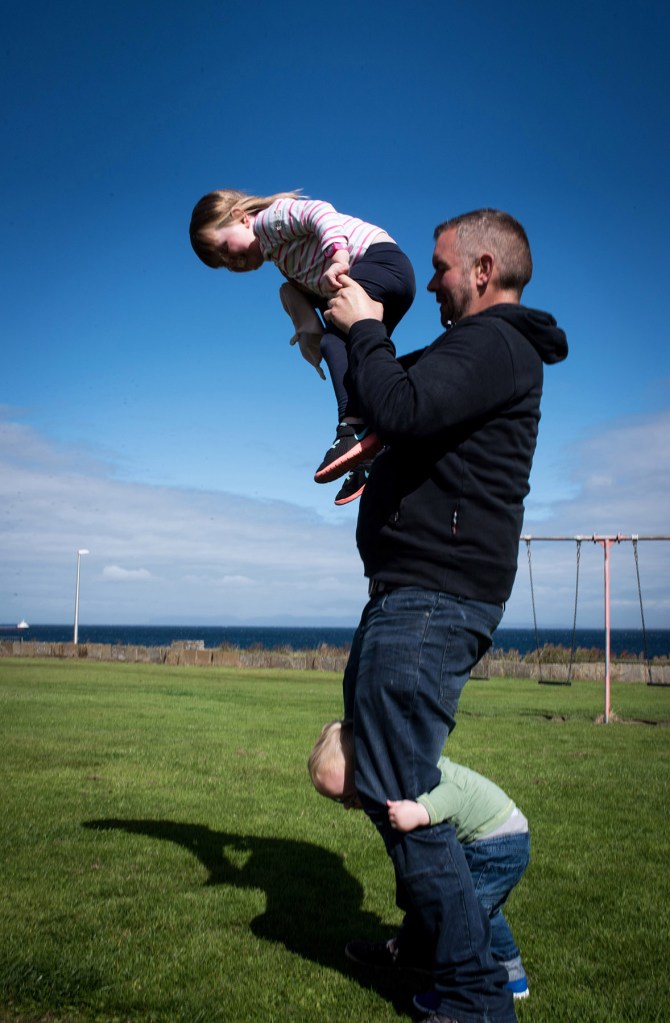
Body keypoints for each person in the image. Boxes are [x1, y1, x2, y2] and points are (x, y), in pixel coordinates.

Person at [324, 209, 568, 1023]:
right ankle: (431, 950)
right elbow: (381, 397)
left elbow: (400, 408)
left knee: (401, 789)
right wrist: (331, 332)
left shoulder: (495, 344)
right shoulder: (471, 349)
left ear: (483, 269)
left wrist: (367, 326)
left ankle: (473, 996)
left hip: (434, 594)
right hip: (410, 592)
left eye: (439, 267)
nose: (429, 282)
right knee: (378, 775)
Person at [189, 190, 416, 504]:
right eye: (223, 264)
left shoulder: (271, 221)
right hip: (390, 274)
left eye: (225, 249)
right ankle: (373, 450)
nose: (231, 262)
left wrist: (338, 257)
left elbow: (320, 212)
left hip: (379, 261)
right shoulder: (282, 257)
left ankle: (353, 429)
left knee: (336, 339)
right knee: (356, 354)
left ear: (241, 218)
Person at [308, 721, 530, 1003]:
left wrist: (422, 811)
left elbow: (455, 793)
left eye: (350, 796)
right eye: (339, 801)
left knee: (462, 919)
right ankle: (513, 977)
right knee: (485, 911)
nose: (347, 807)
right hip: (504, 836)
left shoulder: (413, 773)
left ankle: (462, 988)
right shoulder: (395, 769)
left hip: (497, 844)